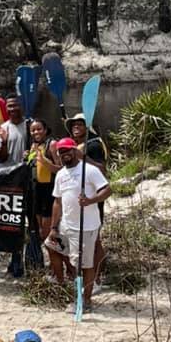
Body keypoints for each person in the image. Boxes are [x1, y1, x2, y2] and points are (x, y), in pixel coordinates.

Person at [48, 137, 111, 314]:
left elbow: (107, 189)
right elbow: (57, 202)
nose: (64, 154)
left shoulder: (89, 170)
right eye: (61, 152)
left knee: (85, 264)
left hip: (87, 226)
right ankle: (64, 285)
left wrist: (91, 200)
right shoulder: (61, 174)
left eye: (68, 150)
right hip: (66, 225)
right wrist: (54, 227)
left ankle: (86, 300)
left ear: (75, 150)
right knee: (52, 247)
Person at [66, 112, 108, 286]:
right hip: (78, 201)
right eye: (73, 124)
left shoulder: (94, 144)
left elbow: (102, 170)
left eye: (80, 124)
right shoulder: (78, 145)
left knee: (94, 239)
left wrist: (84, 158)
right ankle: (85, 275)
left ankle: (98, 277)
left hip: (93, 199)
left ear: (87, 126)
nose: (76, 126)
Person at [0, 94, 30, 278]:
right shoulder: (3, 129)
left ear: (21, 106)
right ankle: (15, 260)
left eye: (15, 106)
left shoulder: (30, 126)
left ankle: (32, 259)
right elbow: (0, 158)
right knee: (13, 222)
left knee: (30, 222)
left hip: (30, 181)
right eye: (9, 107)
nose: (12, 109)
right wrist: (5, 140)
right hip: (11, 182)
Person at [26, 118, 61, 278]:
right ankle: (49, 267)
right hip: (35, 194)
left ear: (45, 130)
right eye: (33, 130)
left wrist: (44, 161)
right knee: (40, 233)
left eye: (39, 129)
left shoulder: (52, 144)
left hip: (49, 193)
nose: (36, 132)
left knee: (49, 234)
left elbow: (61, 169)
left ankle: (58, 271)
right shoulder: (33, 146)